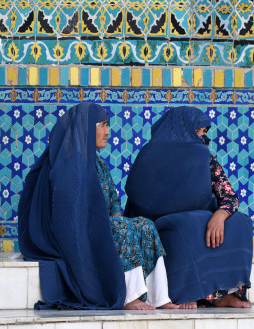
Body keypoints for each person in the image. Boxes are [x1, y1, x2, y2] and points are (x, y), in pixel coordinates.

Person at [18, 102, 178, 310]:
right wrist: (104, 223)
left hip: (100, 226)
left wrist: (115, 216)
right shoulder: (68, 164)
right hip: (74, 233)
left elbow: (112, 201)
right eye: (102, 125)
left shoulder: (98, 163)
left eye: (107, 125)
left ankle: (160, 297)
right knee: (121, 229)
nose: (107, 132)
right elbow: (67, 212)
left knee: (145, 226)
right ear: (85, 129)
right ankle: (128, 297)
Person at [124, 106, 253, 309]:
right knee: (185, 226)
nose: (204, 139)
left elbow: (229, 196)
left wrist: (220, 214)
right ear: (181, 130)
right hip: (159, 226)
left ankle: (221, 294)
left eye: (205, 133)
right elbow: (138, 197)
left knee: (240, 222)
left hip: (200, 220)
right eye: (199, 133)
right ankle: (185, 293)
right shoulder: (149, 155)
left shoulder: (204, 158)